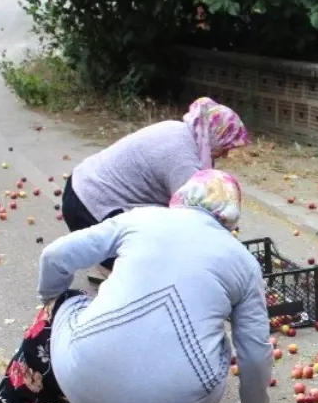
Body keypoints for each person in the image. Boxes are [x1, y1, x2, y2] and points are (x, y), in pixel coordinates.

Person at [0, 170, 273, 403]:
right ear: (231, 218)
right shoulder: (244, 262)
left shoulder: (142, 219)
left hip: (81, 382)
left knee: (64, 304)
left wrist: (51, 301)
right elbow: (255, 352)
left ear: (179, 198)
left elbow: (55, 255)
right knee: (215, 341)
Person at [62, 96, 251, 282]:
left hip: (79, 189)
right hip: (89, 208)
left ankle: (106, 263)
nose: (226, 154)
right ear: (214, 137)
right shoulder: (183, 161)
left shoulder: (179, 129)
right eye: (225, 146)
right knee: (158, 265)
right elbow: (196, 221)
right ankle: (115, 270)